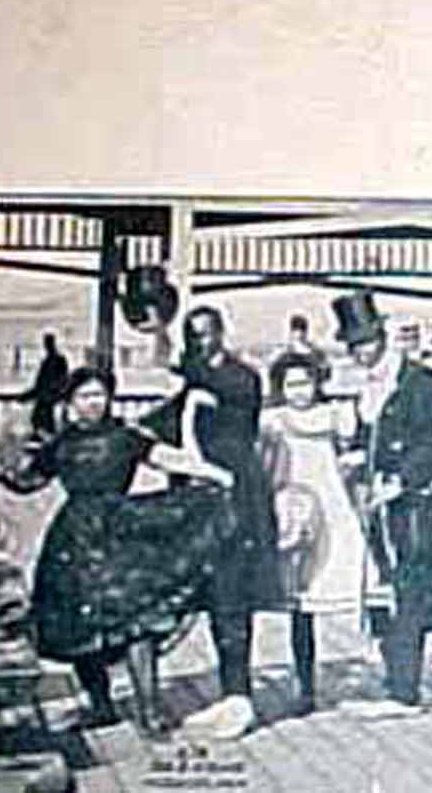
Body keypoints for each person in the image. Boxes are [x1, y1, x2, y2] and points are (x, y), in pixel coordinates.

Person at [0, 367, 236, 736]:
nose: (93, 403)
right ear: (71, 402)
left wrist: (214, 474)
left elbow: (166, 457)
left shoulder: (125, 436)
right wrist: (1, 464)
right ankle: (101, 705)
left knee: (136, 622)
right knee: (79, 624)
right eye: (84, 396)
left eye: (99, 395)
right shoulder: (59, 444)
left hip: (121, 534)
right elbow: (28, 481)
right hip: (72, 541)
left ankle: (150, 710)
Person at [330, 290, 432, 726]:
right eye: (354, 346)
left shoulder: (420, 381)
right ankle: (403, 690)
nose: (361, 352)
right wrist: (357, 456)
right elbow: (373, 440)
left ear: (382, 338)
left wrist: (399, 479)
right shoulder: (367, 390)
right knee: (406, 596)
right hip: (402, 516)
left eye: (368, 342)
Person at [143, 307, 276, 740]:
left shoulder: (242, 378)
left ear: (222, 333)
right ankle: (230, 694)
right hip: (199, 503)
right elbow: (158, 424)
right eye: (192, 335)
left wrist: (165, 343)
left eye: (206, 334)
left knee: (233, 595)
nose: (201, 342)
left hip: (238, 501)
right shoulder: (194, 387)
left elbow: (212, 386)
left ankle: (241, 699)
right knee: (213, 595)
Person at [259, 353, 368, 718]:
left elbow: (357, 441)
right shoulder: (273, 420)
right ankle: (305, 685)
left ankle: (391, 669)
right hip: (295, 504)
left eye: (305, 383)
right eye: (291, 384)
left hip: (333, 503)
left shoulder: (333, 415)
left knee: (350, 581)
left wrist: (353, 461)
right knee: (300, 602)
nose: (299, 392)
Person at [20, 333, 70, 438]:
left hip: (48, 397)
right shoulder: (51, 361)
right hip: (47, 396)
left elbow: (59, 380)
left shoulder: (55, 361)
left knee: (42, 419)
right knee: (41, 420)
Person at [277, 314, 331, 385]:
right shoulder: (317, 352)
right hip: (311, 389)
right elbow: (326, 374)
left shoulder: (284, 354)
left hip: (302, 389)